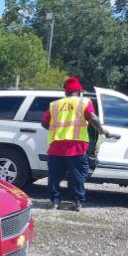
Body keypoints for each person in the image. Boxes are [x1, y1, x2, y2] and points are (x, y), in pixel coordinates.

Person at [41, 77, 112, 211]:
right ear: (79, 90)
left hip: (57, 145)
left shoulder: (54, 105)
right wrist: (103, 131)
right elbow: (92, 117)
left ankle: (54, 202)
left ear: (65, 91)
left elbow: (44, 123)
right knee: (76, 175)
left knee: (55, 176)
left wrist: (57, 130)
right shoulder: (84, 102)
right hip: (77, 146)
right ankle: (76, 202)